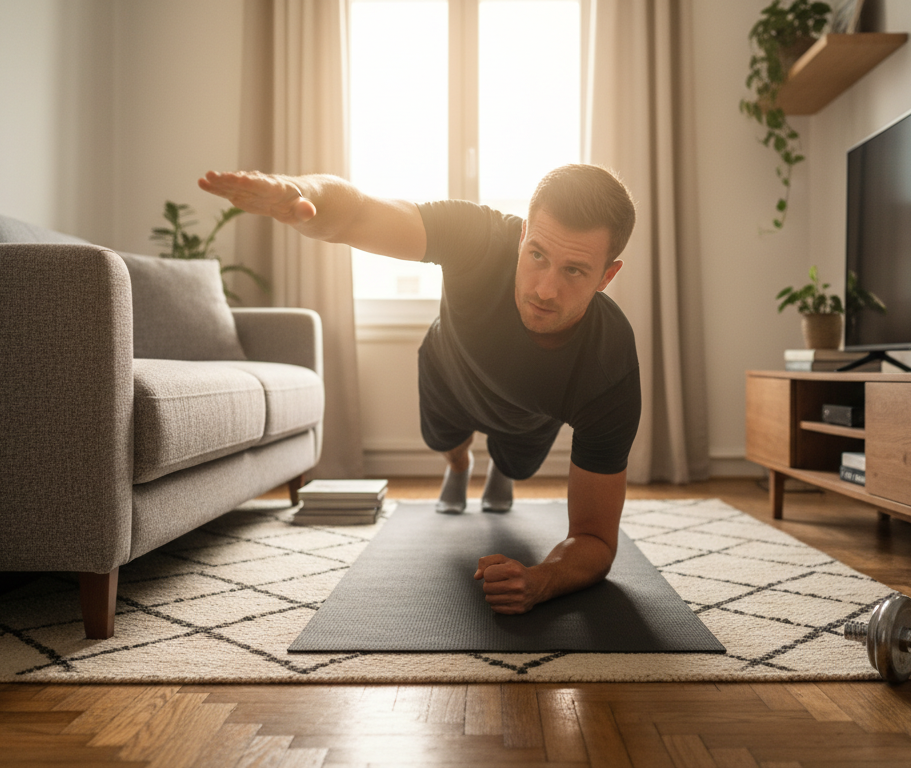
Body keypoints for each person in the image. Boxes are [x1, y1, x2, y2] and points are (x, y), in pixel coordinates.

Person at [198, 164, 639, 615]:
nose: (545, 289)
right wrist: (303, 194)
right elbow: (359, 214)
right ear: (522, 234)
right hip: (448, 372)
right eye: (538, 256)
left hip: (525, 417)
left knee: (515, 466)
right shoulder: (479, 237)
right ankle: (461, 462)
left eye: (575, 271)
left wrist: (542, 579)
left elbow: (595, 539)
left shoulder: (610, 371)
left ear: (607, 276)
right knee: (444, 441)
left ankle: (501, 466)